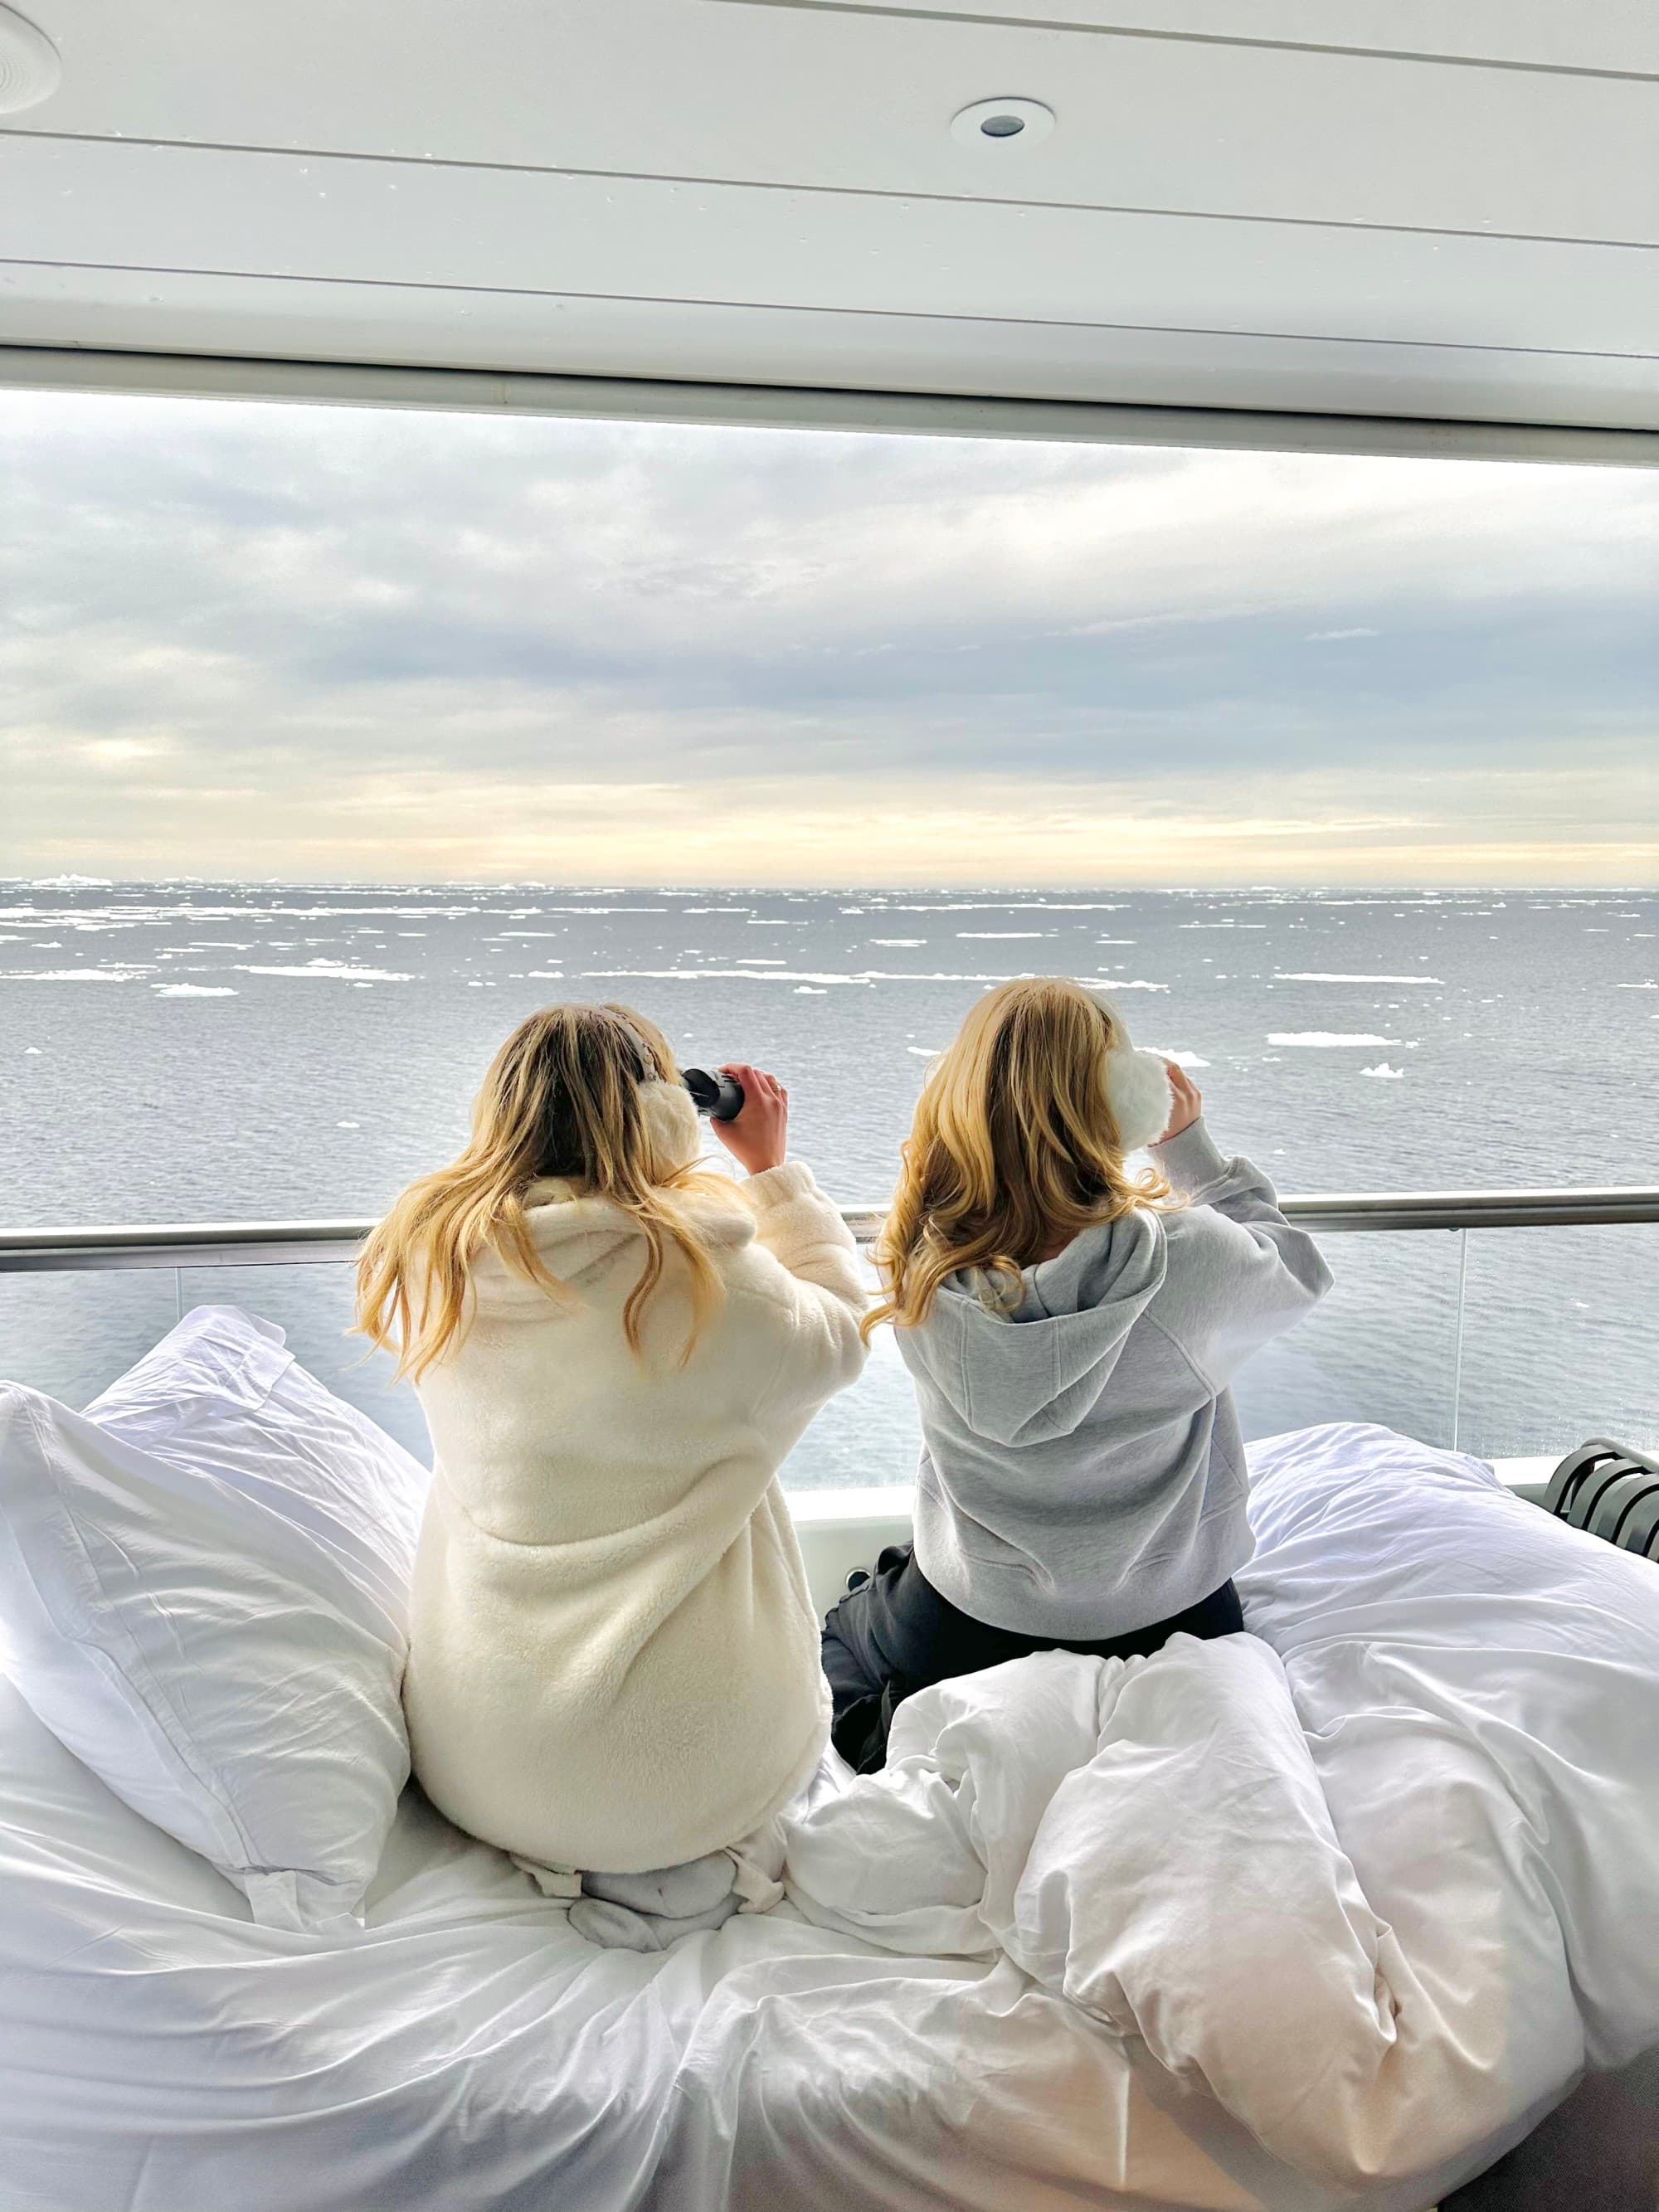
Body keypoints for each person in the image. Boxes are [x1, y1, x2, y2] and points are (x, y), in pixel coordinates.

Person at [356, 1002, 867, 1948]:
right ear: (666, 1114)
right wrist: (770, 1174)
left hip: (483, 1765)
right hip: (691, 1783)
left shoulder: (430, 1263)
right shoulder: (706, 1278)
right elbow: (838, 1334)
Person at [823, 976, 1331, 1772]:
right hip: (1174, 1619)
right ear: (1125, 1105)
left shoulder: (917, 1263)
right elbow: (1298, 1269)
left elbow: (938, 1189)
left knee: (844, 1631)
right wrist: (1188, 1149)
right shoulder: (1189, 1261)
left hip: (975, 1621)